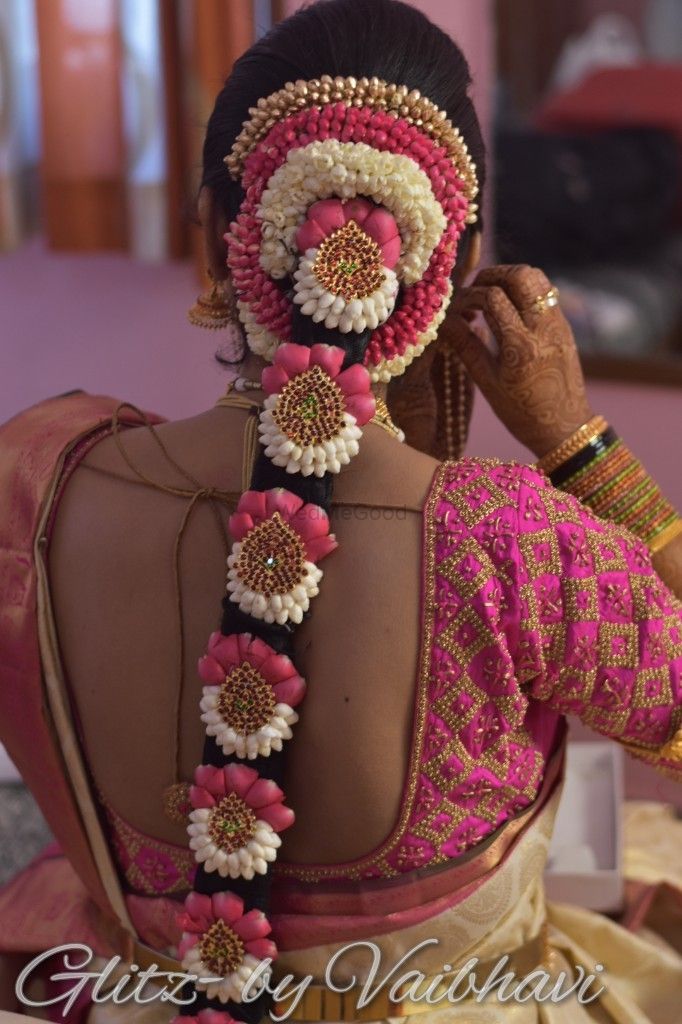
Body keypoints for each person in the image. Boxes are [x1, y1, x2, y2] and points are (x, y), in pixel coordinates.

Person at [0, 1, 680, 1021]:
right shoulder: (511, 542)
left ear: (214, 230)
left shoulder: (38, 479)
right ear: (454, 260)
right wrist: (576, 442)